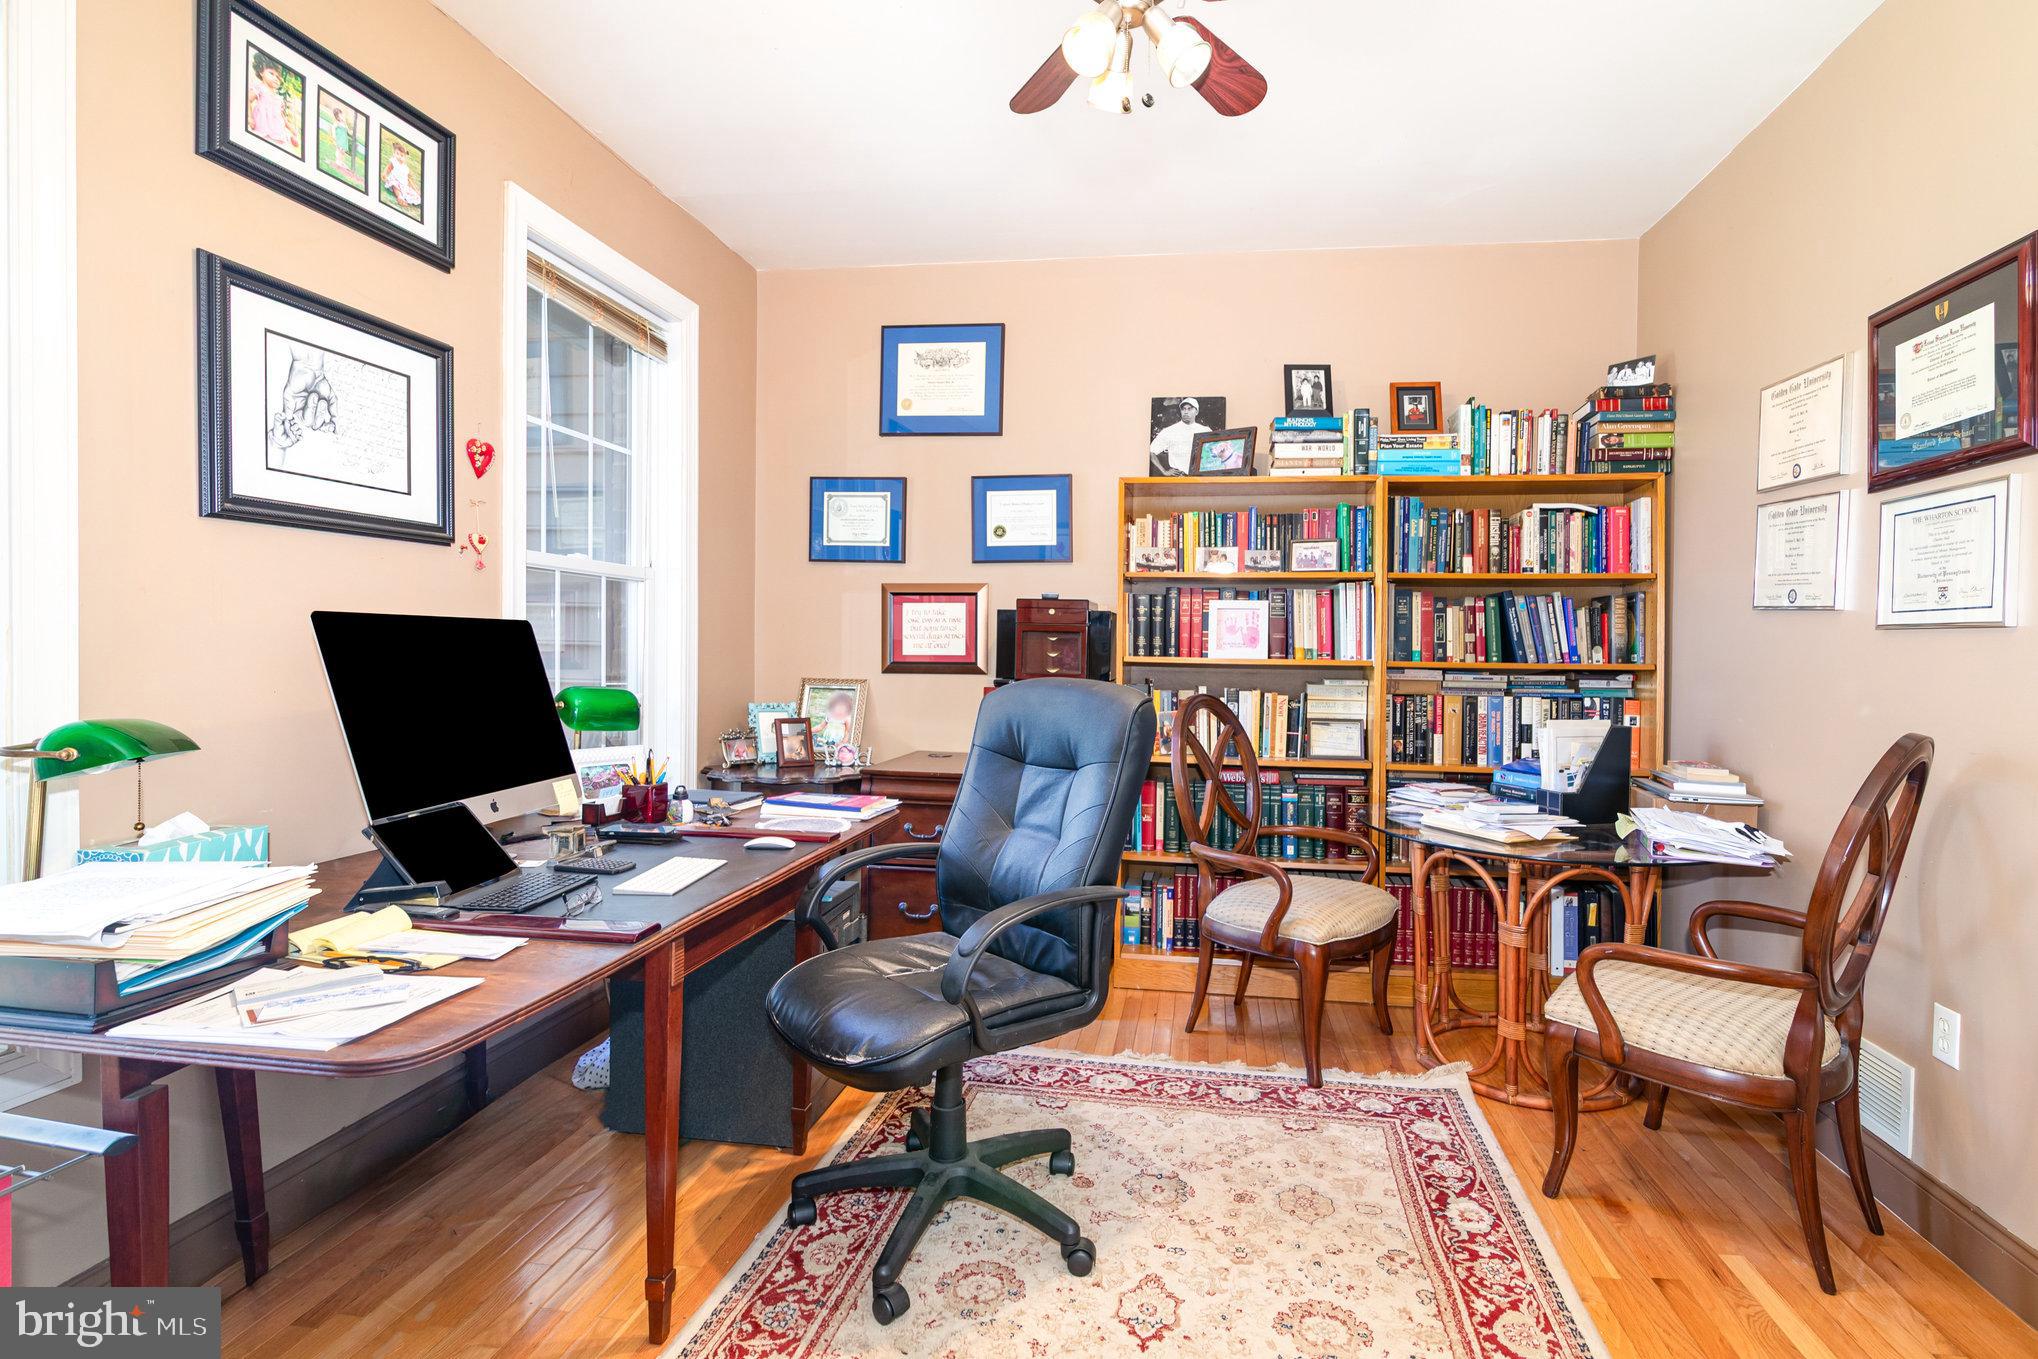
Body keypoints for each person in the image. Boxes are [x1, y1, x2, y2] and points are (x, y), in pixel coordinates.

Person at [1150, 397, 1211, 474]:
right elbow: (1151, 451)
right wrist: (1164, 471)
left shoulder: (1205, 430)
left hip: (1200, 476)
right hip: (1179, 477)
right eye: (1183, 409)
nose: (1186, 412)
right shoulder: (1169, 431)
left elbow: (1213, 453)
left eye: (1189, 409)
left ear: (1196, 412)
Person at [248, 62, 297, 152]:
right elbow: (248, 99)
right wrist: (250, 117)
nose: (275, 78)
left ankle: (289, 138)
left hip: (277, 130)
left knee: (279, 145)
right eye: (271, 74)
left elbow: (281, 115)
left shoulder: (278, 97)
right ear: (261, 72)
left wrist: (290, 127)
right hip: (263, 127)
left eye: (277, 77)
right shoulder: (260, 88)